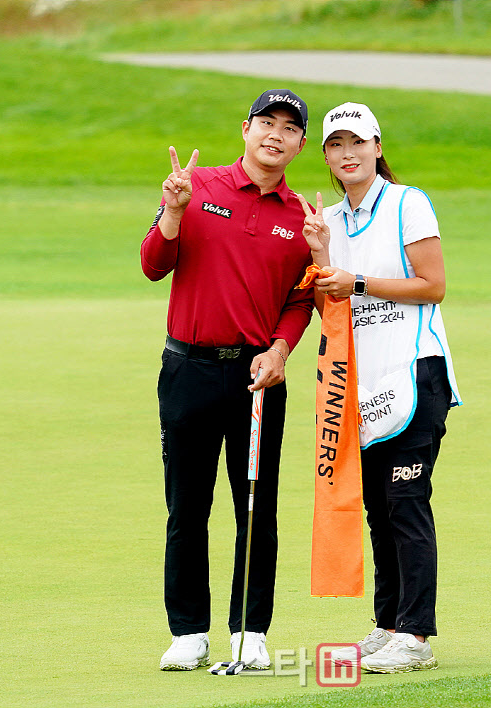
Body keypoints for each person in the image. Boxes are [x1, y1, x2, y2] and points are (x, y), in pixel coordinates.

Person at [141, 89, 314, 671]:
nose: (275, 134)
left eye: (288, 128)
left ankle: (251, 630)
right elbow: (152, 265)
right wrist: (171, 211)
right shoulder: (198, 188)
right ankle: (189, 632)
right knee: (187, 506)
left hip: (257, 379)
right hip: (187, 367)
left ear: (300, 144)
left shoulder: (301, 217)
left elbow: (301, 298)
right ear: (245, 129)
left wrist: (282, 348)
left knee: (255, 506)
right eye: (266, 122)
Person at [298, 102, 462, 673]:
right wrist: (320, 253)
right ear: (327, 155)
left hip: (416, 372)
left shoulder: (407, 203)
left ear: (377, 146)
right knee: (377, 507)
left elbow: (433, 285)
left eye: (357, 143)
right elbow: (329, 307)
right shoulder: (333, 220)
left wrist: (359, 280)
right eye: (336, 145)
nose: (348, 154)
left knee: (406, 502)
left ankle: (416, 635)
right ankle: (388, 623)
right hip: (363, 388)